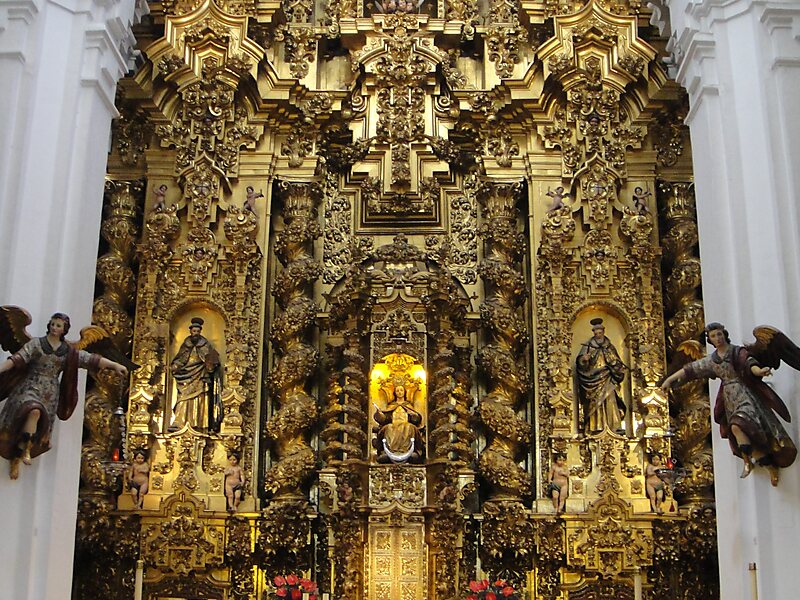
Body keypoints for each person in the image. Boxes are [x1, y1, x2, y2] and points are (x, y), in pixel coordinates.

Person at [662, 322, 797, 486]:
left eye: (719, 334)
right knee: (741, 430)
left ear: (724, 334)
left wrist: (760, 371)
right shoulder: (712, 360)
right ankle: (763, 464)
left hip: (745, 394)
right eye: (713, 336)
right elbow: (689, 370)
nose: (717, 338)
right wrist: (669, 380)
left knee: (739, 426)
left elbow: (750, 364)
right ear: (710, 340)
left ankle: (748, 462)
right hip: (729, 398)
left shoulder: (737, 352)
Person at [0, 312, 129, 479]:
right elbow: (17, 359)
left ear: (64, 329)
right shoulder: (36, 344)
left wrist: (115, 365)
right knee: (33, 411)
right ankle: (24, 450)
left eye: (58, 326)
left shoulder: (68, 351)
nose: (54, 328)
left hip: (49, 393)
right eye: (53, 324)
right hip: (30, 385)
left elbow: (91, 359)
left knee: (38, 416)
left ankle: (24, 449)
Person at [170, 317, 223, 431]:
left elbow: (211, 360)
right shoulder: (186, 344)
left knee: (200, 397)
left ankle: (199, 424)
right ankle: (180, 421)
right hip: (186, 375)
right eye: (194, 331)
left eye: (198, 331)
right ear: (190, 331)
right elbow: (181, 358)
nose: (196, 333)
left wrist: (210, 365)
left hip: (200, 375)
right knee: (182, 398)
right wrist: (175, 366)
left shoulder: (205, 345)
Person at [576, 318, 627, 433]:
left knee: (611, 400)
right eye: (596, 333)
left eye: (600, 333)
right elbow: (580, 364)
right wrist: (584, 360)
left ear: (603, 332)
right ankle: (595, 427)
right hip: (593, 378)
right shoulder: (588, 346)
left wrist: (618, 367)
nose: (598, 335)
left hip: (608, 377)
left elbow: (616, 361)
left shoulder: (610, 347)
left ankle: (614, 426)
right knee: (595, 403)